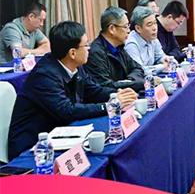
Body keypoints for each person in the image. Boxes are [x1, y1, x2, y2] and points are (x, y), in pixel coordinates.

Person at [7, 21, 138, 160]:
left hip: (60, 134)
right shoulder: (45, 75)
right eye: (86, 45)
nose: (89, 49)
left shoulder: (75, 64)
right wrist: (109, 106)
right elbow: (67, 111)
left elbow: (92, 90)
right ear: (73, 53)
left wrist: (117, 95)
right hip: (33, 148)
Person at [86, 7, 145, 92]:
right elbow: (105, 86)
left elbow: (137, 68)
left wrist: (130, 80)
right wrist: (134, 83)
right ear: (112, 29)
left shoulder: (119, 47)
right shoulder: (95, 53)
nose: (129, 31)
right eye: (125, 27)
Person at [125, 6, 167, 73]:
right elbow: (139, 71)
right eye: (149, 25)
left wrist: (167, 60)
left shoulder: (152, 38)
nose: (154, 28)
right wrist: (162, 66)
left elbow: (160, 56)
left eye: (155, 23)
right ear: (138, 28)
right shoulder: (131, 44)